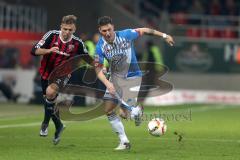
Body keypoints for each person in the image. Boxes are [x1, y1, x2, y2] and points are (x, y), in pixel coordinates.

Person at [94, 16, 174, 150]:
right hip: (115, 78)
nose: (107, 33)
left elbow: (145, 30)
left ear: (113, 27)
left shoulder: (126, 34)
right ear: (99, 30)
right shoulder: (100, 47)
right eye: (103, 31)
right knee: (109, 110)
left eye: (109, 29)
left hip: (132, 78)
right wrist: (108, 84)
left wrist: (165, 35)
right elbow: (97, 69)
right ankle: (124, 141)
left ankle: (136, 112)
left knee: (126, 113)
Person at [31, 15, 93, 145]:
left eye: (70, 30)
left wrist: (100, 67)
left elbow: (87, 57)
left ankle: (45, 124)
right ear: (61, 27)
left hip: (63, 74)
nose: (67, 32)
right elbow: (34, 50)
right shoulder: (51, 35)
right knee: (50, 101)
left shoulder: (77, 43)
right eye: (65, 29)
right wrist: (49, 50)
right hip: (45, 73)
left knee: (50, 93)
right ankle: (59, 126)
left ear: (74, 29)